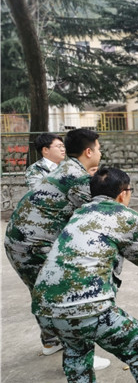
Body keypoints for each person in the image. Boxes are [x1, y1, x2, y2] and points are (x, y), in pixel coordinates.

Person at [31, 167, 138, 383]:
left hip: (45, 308)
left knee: (77, 354)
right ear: (123, 193)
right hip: (87, 307)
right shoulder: (125, 215)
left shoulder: (81, 212)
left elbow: (112, 235)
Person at [4, 128, 109, 368]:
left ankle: (51, 342)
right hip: (32, 245)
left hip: (21, 241)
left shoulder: (68, 168)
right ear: (89, 151)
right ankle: (80, 360)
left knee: (45, 295)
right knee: (69, 297)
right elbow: (98, 217)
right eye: (99, 148)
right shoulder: (76, 176)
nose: (101, 153)